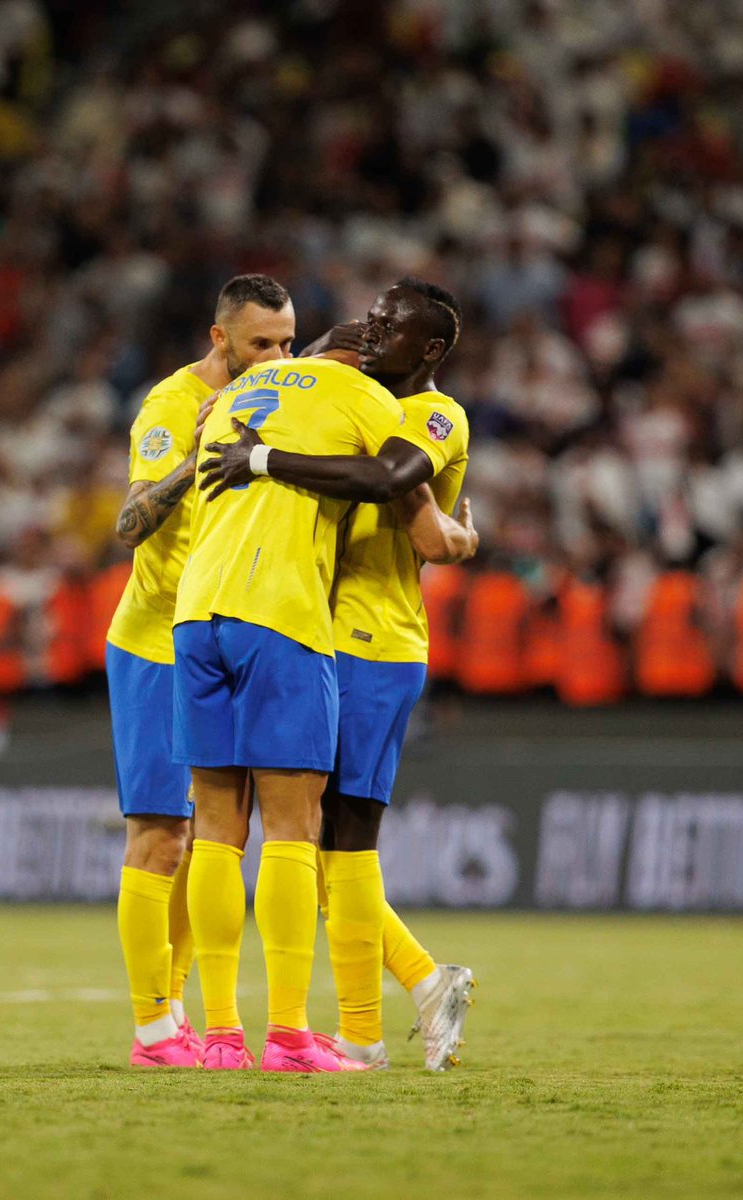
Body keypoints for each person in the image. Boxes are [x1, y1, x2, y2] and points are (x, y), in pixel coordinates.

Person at [201, 278, 478, 1070]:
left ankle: (379, 1017)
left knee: (341, 839)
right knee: (319, 842)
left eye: (393, 325)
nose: (373, 329)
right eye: (375, 316)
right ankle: (402, 1002)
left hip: (372, 639)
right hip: (310, 632)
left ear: (429, 351)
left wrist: (259, 458)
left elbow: (397, 494)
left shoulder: (430, 415)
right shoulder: (351, 403)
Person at [107, 274, 295, 1069]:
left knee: (203, 841)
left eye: (287, 343)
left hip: (219, 641)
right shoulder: (170, 406)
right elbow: (129, 522)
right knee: (159, 835)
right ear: (220, 339)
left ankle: (176, 1009)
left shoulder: (280, 400)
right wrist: (196, 461)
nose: (277, 358)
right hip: (156, 641)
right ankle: (153, 1026)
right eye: (262, 345)